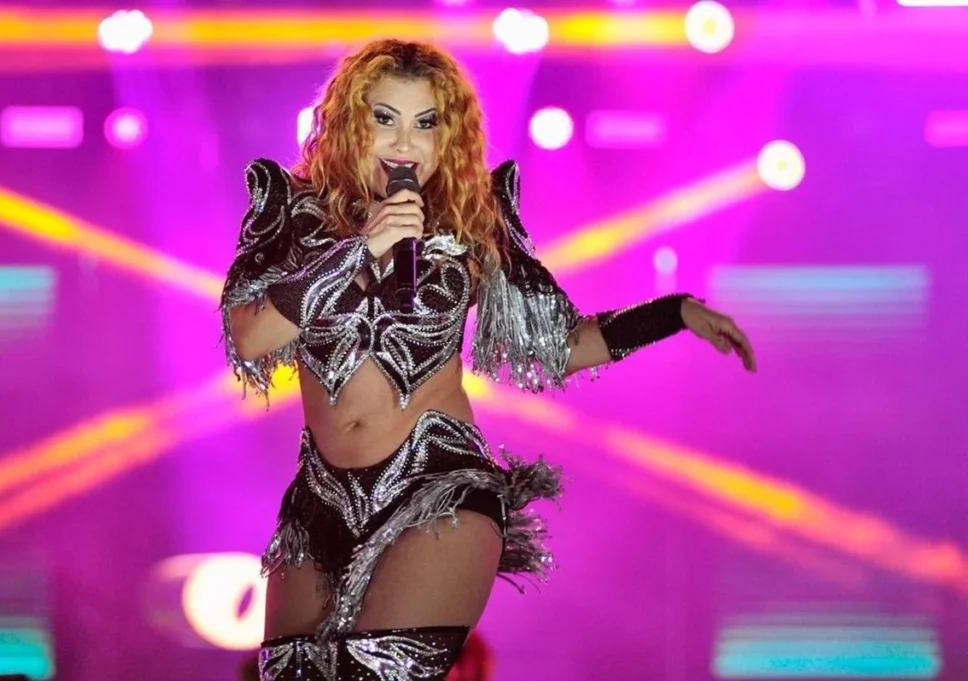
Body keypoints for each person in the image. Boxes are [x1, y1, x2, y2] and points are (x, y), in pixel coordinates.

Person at [220, 39, 756, 680]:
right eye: (384, 118)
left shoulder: (474, 222)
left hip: (437, 486)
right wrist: (364, 248)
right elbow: (250, 336)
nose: (404, 144)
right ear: (348, 123)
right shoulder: (292, 212)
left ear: (447, 138)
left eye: (425, 124)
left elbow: (559, 345)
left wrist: (672, 313)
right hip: (320, 497)